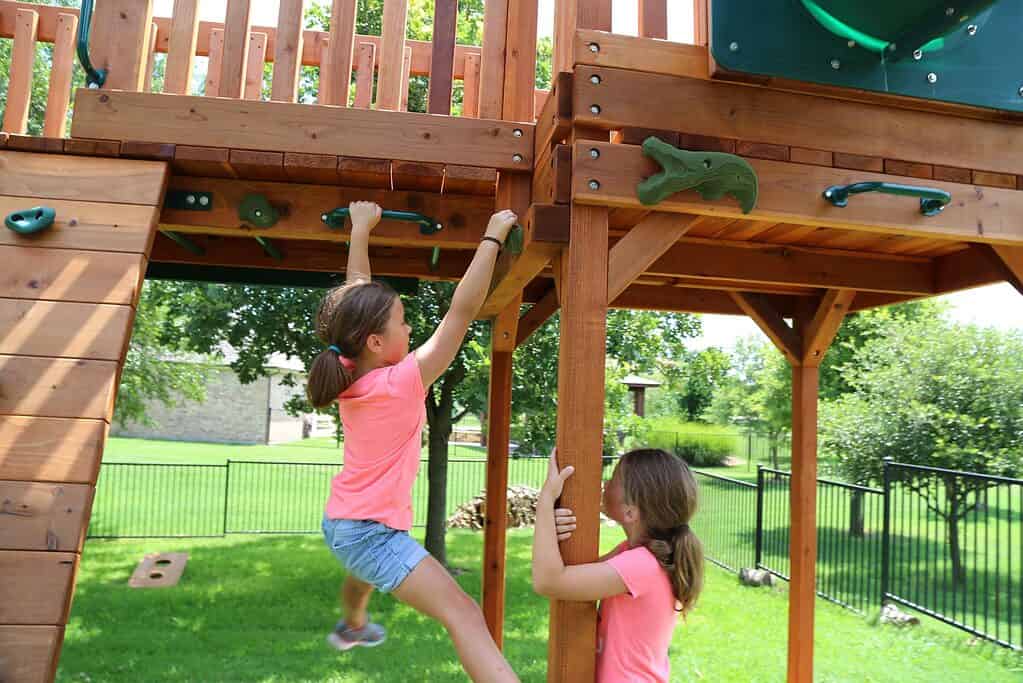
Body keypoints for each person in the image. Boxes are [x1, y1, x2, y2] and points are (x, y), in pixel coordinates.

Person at [308, 201, 520, 682]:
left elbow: (354, 301)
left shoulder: (349, 374)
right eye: (402, 322)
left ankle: (354, 626)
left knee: (362, 571)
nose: (409, 328)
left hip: (345, 523)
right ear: (376, 343)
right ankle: (355, 622)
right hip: (370, 531)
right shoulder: (401, 381)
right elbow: (461, 311)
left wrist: (361, 229)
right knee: (465, 613)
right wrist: (491, 237)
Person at [532, 448, 705, 682]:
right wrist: (551, 529)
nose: (605, 483)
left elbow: (549, 581)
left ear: (631, 511)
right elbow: (573, 576)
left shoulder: (642, 565)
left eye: (614, 479)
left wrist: (545, 501)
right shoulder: (633, 554)